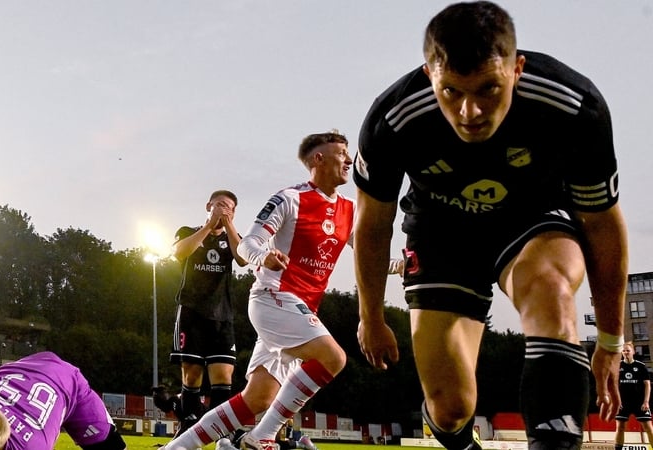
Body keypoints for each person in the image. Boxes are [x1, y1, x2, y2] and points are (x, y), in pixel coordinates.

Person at [352, 2, 628, 450]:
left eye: (488, 89)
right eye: (452, 93)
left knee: (551, 289)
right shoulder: (393, 119)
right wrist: (371, 316)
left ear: (517, 69)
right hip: (440, 234)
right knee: (450, 409)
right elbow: (371, 225)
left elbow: (601, 226)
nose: (470, 112)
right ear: (429, 75)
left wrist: (611, 342)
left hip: (533, 220)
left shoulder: (573, 107)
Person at [162, 130, 403, 450]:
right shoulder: (290, 198)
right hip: (273, 297)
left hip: (299, 309)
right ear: (318, 158)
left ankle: (176, 448)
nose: (348, 160)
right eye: (342, 153)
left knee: (257, 398)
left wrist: (401, 265)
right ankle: (262, 436)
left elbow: (368, 258)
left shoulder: (347, 209)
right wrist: (264, 257)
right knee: (334, 357)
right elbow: (248, 244)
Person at [155, 190, 247, 437]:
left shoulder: (234, 238)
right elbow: (179, 252)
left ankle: (220, 433)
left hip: (222, 315)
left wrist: (229, 225)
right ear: (208, 206)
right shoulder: (189, 231)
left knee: (223, 374)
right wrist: (209, 225)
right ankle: (187, 426)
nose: (223, 210)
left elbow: (243, 259)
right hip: (192, 312)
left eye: (229, 207)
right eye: (219, 205)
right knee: (192, 372)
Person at [615, 342, 653, 449]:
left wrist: (646, 401)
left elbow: (647, 385)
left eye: (628, 350)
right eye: (623, 351)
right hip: (623, 403)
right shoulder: (618, 366)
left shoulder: (640, 366)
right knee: (620, 427)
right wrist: (617, 401)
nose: (626, 352)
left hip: (639, 402)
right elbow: (614, 385)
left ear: (633, 352)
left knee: (648, 427)